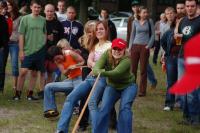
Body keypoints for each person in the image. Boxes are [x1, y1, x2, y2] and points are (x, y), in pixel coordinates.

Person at [56, 20, 111, 133]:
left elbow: (109, 65)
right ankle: (61, 130)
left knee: (91, 103)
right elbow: (89, 61)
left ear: (106, 31)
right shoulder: (95, 45)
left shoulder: (110, 46)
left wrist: (96, 66)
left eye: (101, 29)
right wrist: (95, 65)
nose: (99, 31)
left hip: (102, 78)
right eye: (97, 29)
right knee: (70, 98)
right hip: (90, 77)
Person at [92, 38, 137, 133]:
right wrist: (97, 70)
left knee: (125, 108)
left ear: (124, 50)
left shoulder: (127, 60)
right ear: (111, 48)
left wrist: (101, 71)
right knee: (104, 108)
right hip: (112, 86)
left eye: (119, 49)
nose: (116, 51)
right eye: (115, 48)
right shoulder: (106, 54)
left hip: (128, 86)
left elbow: (115, 73)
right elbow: (96, 68)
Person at [13, 0, 46, 100]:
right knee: (23, 72)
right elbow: (21, 35)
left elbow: (45, 32)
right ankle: (17, 94)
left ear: (41, 9)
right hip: (27, 50)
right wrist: (21, 50)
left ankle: (30, 94)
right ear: (31, 7)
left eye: (39, 7)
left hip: (39, 50)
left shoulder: (43, 20)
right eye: (35, 7)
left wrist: (43, 43)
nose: (37, 9)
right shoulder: (25, 19)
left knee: (34, 73)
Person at [43, 40, 84, 118]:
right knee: (48, 87)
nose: (58, 61)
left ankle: (82, 112)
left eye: (58, 58)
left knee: (79, 96)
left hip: (80, 79)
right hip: (70, 80)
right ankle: (51, 111)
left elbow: (83, 61)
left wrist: (76, 65)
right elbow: (65, 73)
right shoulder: (57, 61)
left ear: (60, 52)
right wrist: (69, 69)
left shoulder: (70, 53)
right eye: (55, 60)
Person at [175, 0, 200, 125]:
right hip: (181, 57)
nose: (190, 8)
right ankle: (186, 116)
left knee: (192, 90)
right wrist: (177, 38)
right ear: (185, 7)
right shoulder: (183, 21)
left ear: (196, 7)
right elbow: (180, 39)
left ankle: (195, 118)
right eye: (188, 6)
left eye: (192, 6)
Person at [129, 6, 155, 97]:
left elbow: (153, 35)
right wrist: (130, 47)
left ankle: (142, 91)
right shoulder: (135, 22)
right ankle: (131, 89)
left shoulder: (150, 22)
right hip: (135, 46)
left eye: (146, 12)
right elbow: (132, 35)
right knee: (133, 69)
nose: (145, 14)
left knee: (143, 69)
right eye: (143, 12)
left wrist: (149, 45)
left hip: (145, 47)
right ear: (139, 13)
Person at [160, 9, 179, 111]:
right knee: (171, 81)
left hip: (183, 58)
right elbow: (162, 42)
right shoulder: (169, 31)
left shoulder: (187, 32)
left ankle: (181, 103)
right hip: (171, 58)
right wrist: (166, 52)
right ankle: (169, 103)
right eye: (177, 20)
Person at [44, 4, 64, 86]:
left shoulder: (58, 24)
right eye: (48, 11)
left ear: (54, 12)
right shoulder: (41, 22)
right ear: (44, 11)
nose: (49, 13)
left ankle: (48, 88)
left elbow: (62, 39)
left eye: (51, 11)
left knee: (51, 71)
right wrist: (46, 38)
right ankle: (42, 90)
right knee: (42, 72)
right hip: (42, 50)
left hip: (54, 52)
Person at [5, 0, 21, 95]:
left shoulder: (20, 17)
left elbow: (21, 31)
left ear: (13, 6)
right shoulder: (4, 16)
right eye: (6, 5)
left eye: (9, 5)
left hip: (14, 43)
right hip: (4, 43)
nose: (8, 6)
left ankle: (15, 86)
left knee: (14, 65)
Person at [0, 1, 9, 93]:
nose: (3, 10)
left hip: (3, 48)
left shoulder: (4, 19)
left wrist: (4, 46)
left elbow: (5, 34)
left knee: (2, 68)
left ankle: (1, 88)